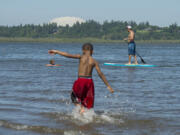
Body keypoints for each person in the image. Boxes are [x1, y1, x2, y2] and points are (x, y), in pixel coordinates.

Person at [48, 43, 114, 114]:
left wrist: (56, 51)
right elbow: (100, 74)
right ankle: (85, 111)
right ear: (92, 51)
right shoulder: (94, 61)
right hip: (89, 81)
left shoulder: (81, 57)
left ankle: (80, 108)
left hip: (81, 80)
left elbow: (67, 55)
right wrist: (108, 86)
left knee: (73, 95)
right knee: (88, 99)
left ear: (83, 50)